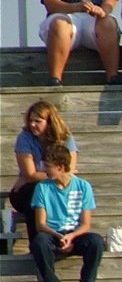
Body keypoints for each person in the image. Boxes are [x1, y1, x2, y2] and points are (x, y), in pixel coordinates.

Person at [29, 143, 103, 282]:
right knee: (39, 242)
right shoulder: (42, 187)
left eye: (48, 166)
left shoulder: (83, 186)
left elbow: (86, 224)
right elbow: (40, 224)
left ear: (61, 167)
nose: (44, 169)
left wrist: (71, 236)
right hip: (52, 234)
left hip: (75, 235)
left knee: (96, 241)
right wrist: (59, 236)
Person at [8, 101, 78, 248]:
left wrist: (35, 176)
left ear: (49, 122)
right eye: (31, 121)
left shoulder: (66, 139)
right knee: (35, 191)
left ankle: (66, 241)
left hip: (56, 191)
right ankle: (37, 245)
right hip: (28, 191)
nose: (33, 125)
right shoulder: (25, 138)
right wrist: (53, 174)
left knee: (68, 193)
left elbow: (68, 172)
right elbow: (30, 174)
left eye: (37, 121)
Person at [39, 0, 122, 86]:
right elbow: (51, 3)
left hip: (94, 17)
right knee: (59, 24)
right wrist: (76, 7)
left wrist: (103, 11)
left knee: (108, 23)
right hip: (66, 14)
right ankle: (55, 80)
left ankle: (113, 78)